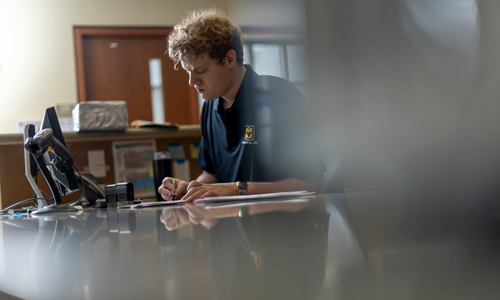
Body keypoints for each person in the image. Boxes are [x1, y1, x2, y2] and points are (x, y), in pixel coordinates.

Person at [158, 8, 325, 202]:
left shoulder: (279, 96)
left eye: (201, 71)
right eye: (188, 72)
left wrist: (237, 189)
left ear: (229, 59)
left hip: (282, 227)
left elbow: (310, 184)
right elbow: (212, 176)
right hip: (232, 226)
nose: (192, 81)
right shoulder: (210, 108)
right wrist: (190, 189)